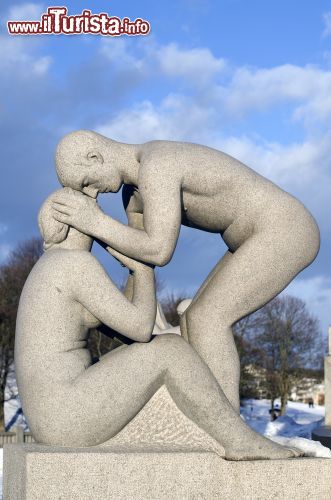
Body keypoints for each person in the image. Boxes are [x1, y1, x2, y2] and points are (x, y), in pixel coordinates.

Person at [15, 190, 301, 460]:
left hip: (51, 417)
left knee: (170, 345)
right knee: (170, 351)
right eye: (93, 217)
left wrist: (132, 269)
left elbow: (125, 328)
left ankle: (224, 429)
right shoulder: (75, 265)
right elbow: (140, 328)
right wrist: (143, 268)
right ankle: (238, 440)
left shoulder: (49, 267)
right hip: (67, 416)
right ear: (73, 224)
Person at [51, 130, 320, 411]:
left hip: (285, 228)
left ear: (95, 156)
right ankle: (212, 424)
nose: (92, 194)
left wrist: (95, 223)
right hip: (253, 237)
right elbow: (140, 266)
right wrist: (116, 318)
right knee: (194, 320)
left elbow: (158, 250)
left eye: (86, 183)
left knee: (207, 319)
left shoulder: (158, 164)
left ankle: (229, 431)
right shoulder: (133, 196)